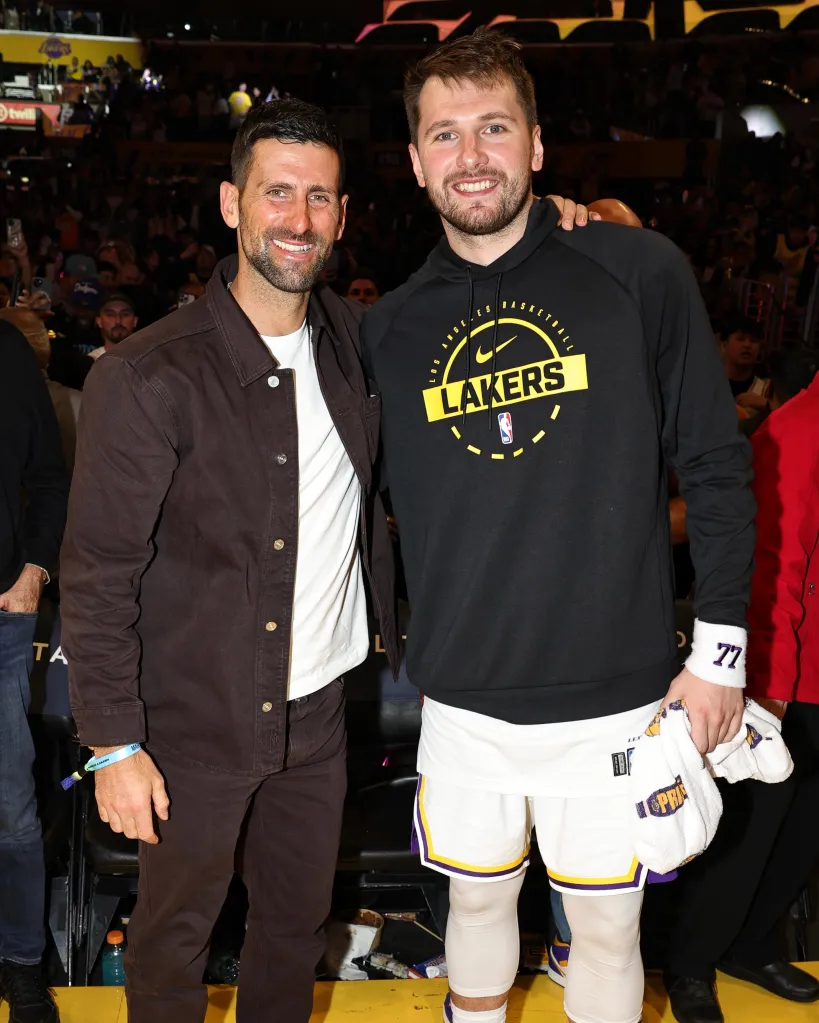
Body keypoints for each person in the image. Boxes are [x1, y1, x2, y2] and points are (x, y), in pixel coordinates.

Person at [362, 30, 755, 1023]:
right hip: (463, 696)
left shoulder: (638, 270)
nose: (472, 156)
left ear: (537, 145)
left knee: (609, 927)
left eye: (494, 128)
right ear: (415, 163)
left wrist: (720, 654)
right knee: (478, 901)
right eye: (444, 135)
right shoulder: (389, 329)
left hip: (617, 694)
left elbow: (713, 463)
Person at [59, 99, 403, 1023]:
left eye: (319, 197)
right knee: (173, 941)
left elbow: (469, 285)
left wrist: (568, 227)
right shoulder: (145, 375)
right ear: (230, 203)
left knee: (293, 930)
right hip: (191, 721)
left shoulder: (353, 340)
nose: (298, 219)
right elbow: (96, 574)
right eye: (277, 193)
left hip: (320, 711)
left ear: (340, 212)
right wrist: (113, 744)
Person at [662, 346, 819, 1023]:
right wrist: (770, 688)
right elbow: (772, 568)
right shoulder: (796, 428)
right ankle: (689, 961)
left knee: (802, 838)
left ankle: (749, 944)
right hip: (785, 674)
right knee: (746, 836)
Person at [0, 319, 68, 1023]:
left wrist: (33, 572)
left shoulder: (7, 350)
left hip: (0, 615)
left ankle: (21, 963)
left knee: (12, 813)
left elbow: (50, 472)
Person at [718, 316, 770, 413]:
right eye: (740, 339)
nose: (747, 345)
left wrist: (767, 405)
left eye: (753, 340)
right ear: (724, 345)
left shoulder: (767, 390)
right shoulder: (705, 384)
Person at [89, 292, 139, 359]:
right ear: (99, 321)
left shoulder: (150, 361)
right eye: (110, 315)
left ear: (135, 321)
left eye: (125, 314)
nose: (118, 321)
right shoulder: (91, 363)